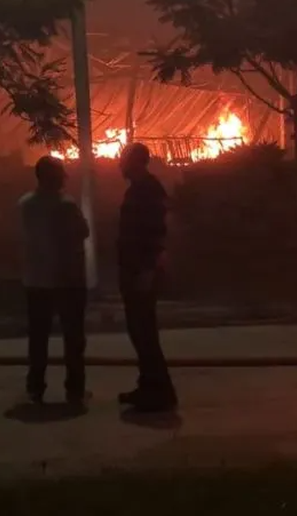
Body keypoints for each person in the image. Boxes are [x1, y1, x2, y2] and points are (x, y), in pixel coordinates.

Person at [18, 155, 91, 406]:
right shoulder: (66, 205)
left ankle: (35, 388)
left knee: (38, 338)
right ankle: (75, 390)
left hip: (36, 280)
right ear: (56, 178)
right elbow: (83, 232)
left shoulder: (25, 204)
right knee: (73, 338)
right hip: (66, 280)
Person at [116, 142, 177, 412]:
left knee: (144, 332)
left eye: (124, 161)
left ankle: (159, 390)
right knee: (139, 331)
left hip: (142, 272)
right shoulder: (141, 190)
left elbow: (155, 234)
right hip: (134, 270)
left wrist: (148, 270)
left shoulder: (148, 191)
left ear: (135, 163)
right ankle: (149, 386)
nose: (120, 166)